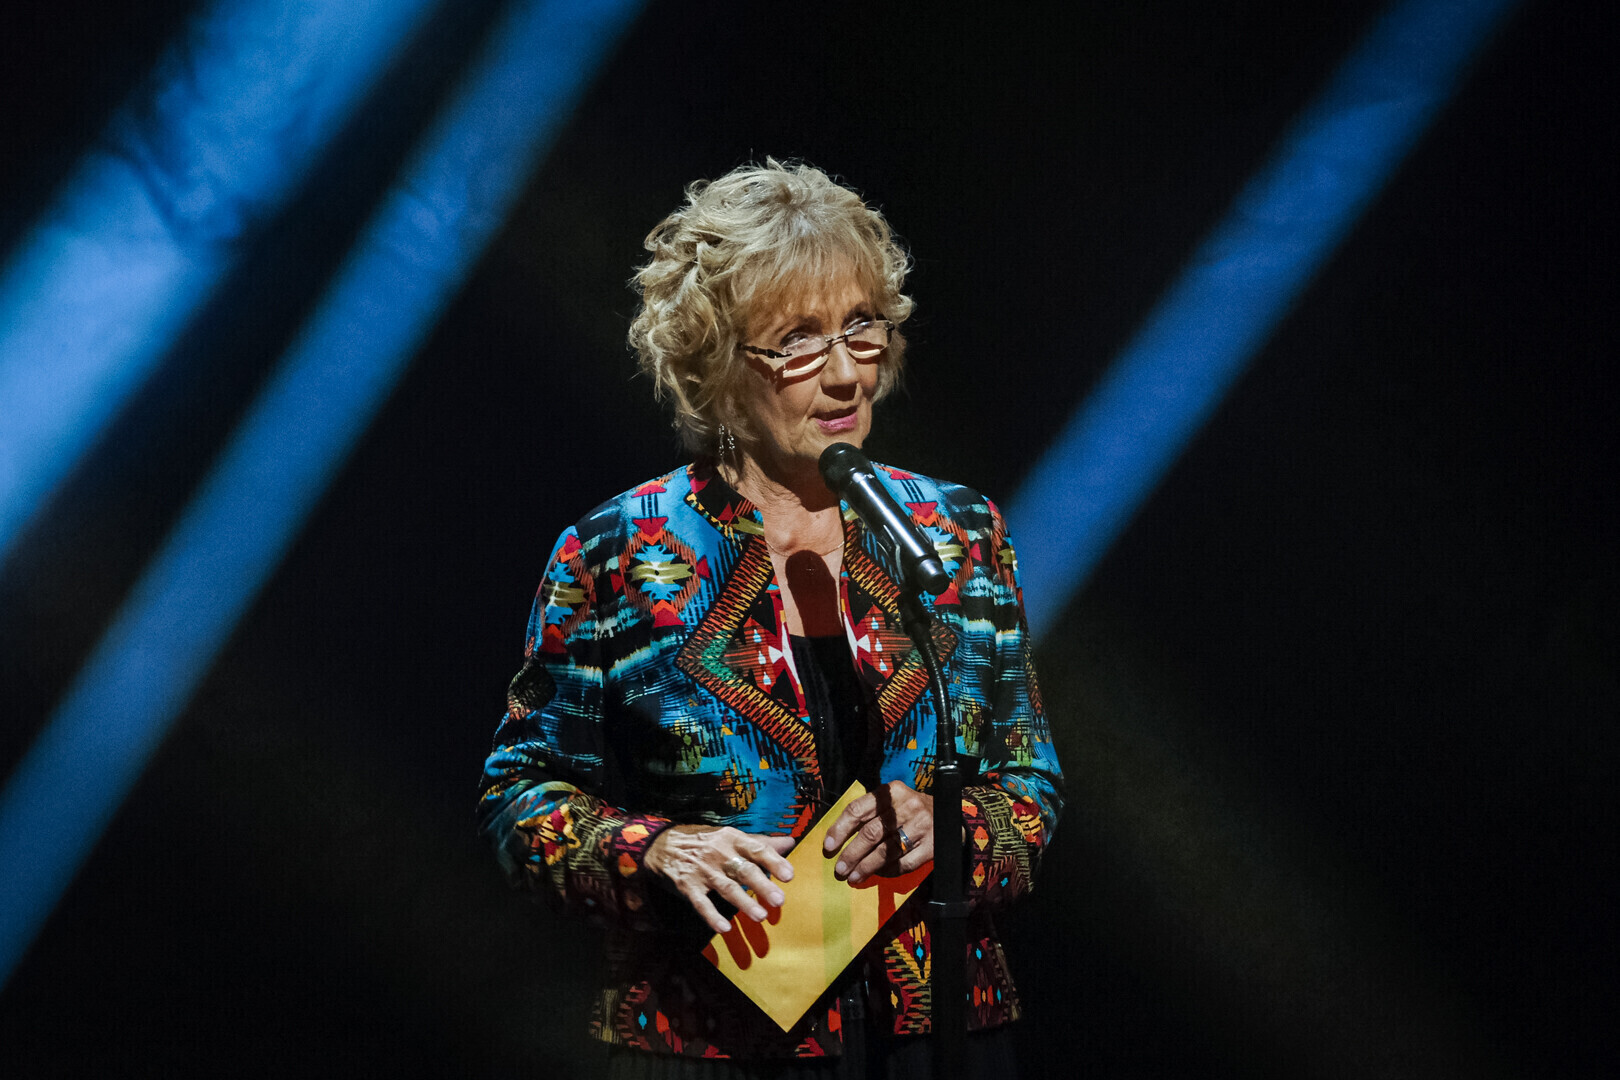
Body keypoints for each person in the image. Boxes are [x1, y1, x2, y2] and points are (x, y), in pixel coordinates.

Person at [478, 160, 1063, 1078]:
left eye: (862, 327)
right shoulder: (616, 553)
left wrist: (950, 827)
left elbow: (1029, 787)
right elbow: (522, 800)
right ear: (715, 361)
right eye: (798, 340)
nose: (846, 374)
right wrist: (656, 852)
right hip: (710, 1044)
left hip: (941, 1040)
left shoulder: (955, 535)